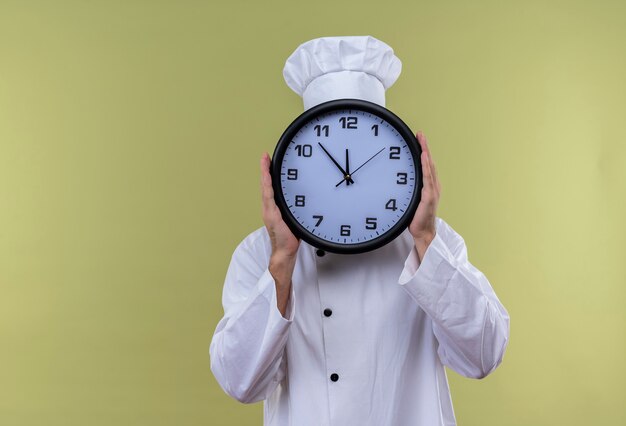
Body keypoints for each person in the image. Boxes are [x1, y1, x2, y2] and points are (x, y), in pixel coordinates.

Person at [209, 36, 510, 426]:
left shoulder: (433, 242)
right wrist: (282, 262)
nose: (347, 181)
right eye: (324, 156)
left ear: (402, 160)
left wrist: (425, 240)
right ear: (288, 173)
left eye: (370, 150)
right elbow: (240, 384)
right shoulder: (261, 255)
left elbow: (484, 356)